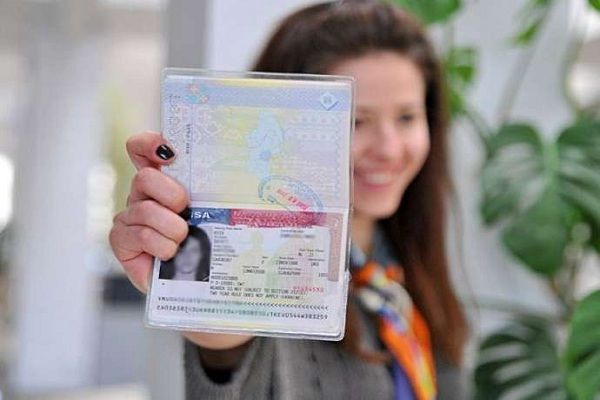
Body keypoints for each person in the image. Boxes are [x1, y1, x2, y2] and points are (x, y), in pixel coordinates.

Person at [109, 1, 469, 399]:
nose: (389, 148)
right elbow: (228, 353)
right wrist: (207, 307)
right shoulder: (267, 271)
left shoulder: (404, 269)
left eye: (406, 117)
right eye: (356, 121)